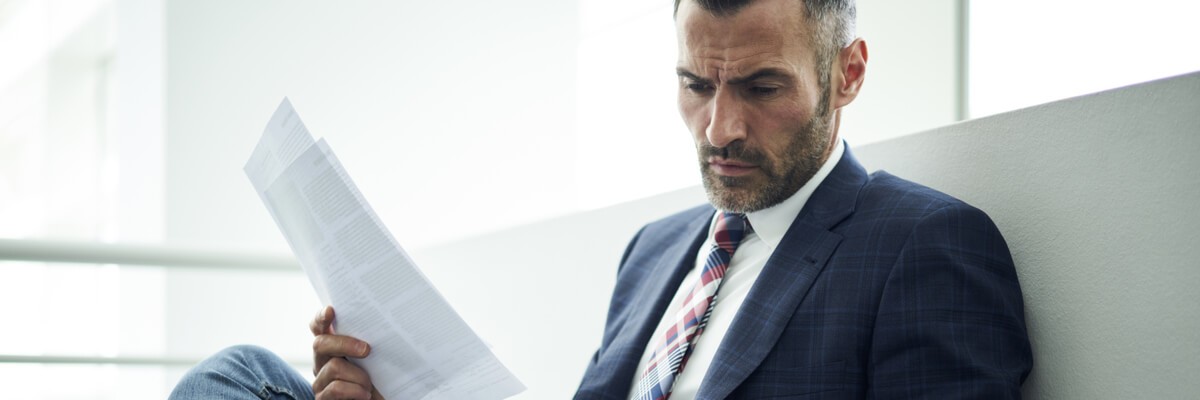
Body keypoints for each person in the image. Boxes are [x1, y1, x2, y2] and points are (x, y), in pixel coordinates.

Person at [171, 0, 1032, 398]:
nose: (719, 129)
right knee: (238, 374)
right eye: (697, 84)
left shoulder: (924, 244)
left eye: (763, 88)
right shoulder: (658, 250)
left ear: (847, 74)